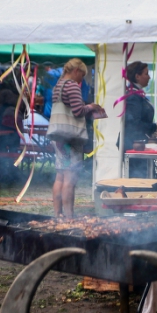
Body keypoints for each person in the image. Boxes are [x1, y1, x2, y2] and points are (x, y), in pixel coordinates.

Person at [51, 59, 103, 217]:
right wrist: (91, 107)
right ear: (76, 71)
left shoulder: (58, 85)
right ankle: (69, 217)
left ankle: (58, 214)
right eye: (82, 75)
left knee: (60, 175)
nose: (82, 79)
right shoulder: (72, 85)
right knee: (70, 177)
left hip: (58, 135)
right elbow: (78, 111)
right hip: (70, 138)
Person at [118, 61, 157, 178]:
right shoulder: (133, 97)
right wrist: (154, 127)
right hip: (133, 145)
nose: (149, 77)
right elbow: (134, 123)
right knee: (138, 178)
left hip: (137, 143)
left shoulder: (136, 95)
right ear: (137, 76)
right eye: (146, 73)